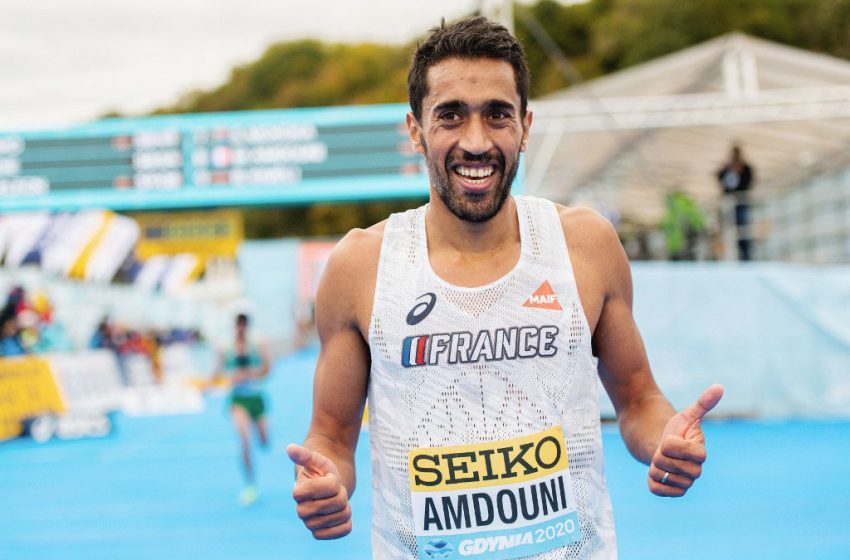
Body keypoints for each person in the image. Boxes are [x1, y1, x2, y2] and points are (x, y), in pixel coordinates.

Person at [287, 16, 723, 559]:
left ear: (525, 125)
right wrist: (324, 481)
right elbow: (330, 434)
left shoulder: (583, 245)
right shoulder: (361, 265)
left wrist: (666, 442)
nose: (476, 141)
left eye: (497, 114)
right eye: (450, 116)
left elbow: (638, 399)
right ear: (416, 129)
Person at [217, 312, 271, 505]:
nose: (241, 328)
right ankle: (250, 485)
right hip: (238, 399)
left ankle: (262, 435)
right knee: (244, 440)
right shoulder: (225, 346)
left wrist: (252, 373)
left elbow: (267, 368)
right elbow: (219, 370)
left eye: (243, 324)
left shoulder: (258, 343)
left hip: (256, 397)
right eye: (238, 324)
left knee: (264, 441)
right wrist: (231, 377)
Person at [716, 144, 755, 260]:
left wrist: (740, 170)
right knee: (728, 230)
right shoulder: (727, 168)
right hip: (729, 204)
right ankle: (727, 256)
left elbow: (749, 182)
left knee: (743, 230)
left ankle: (745, 255)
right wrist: (727, 167)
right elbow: (719, 178)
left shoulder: (746, 168)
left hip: (741, 203)